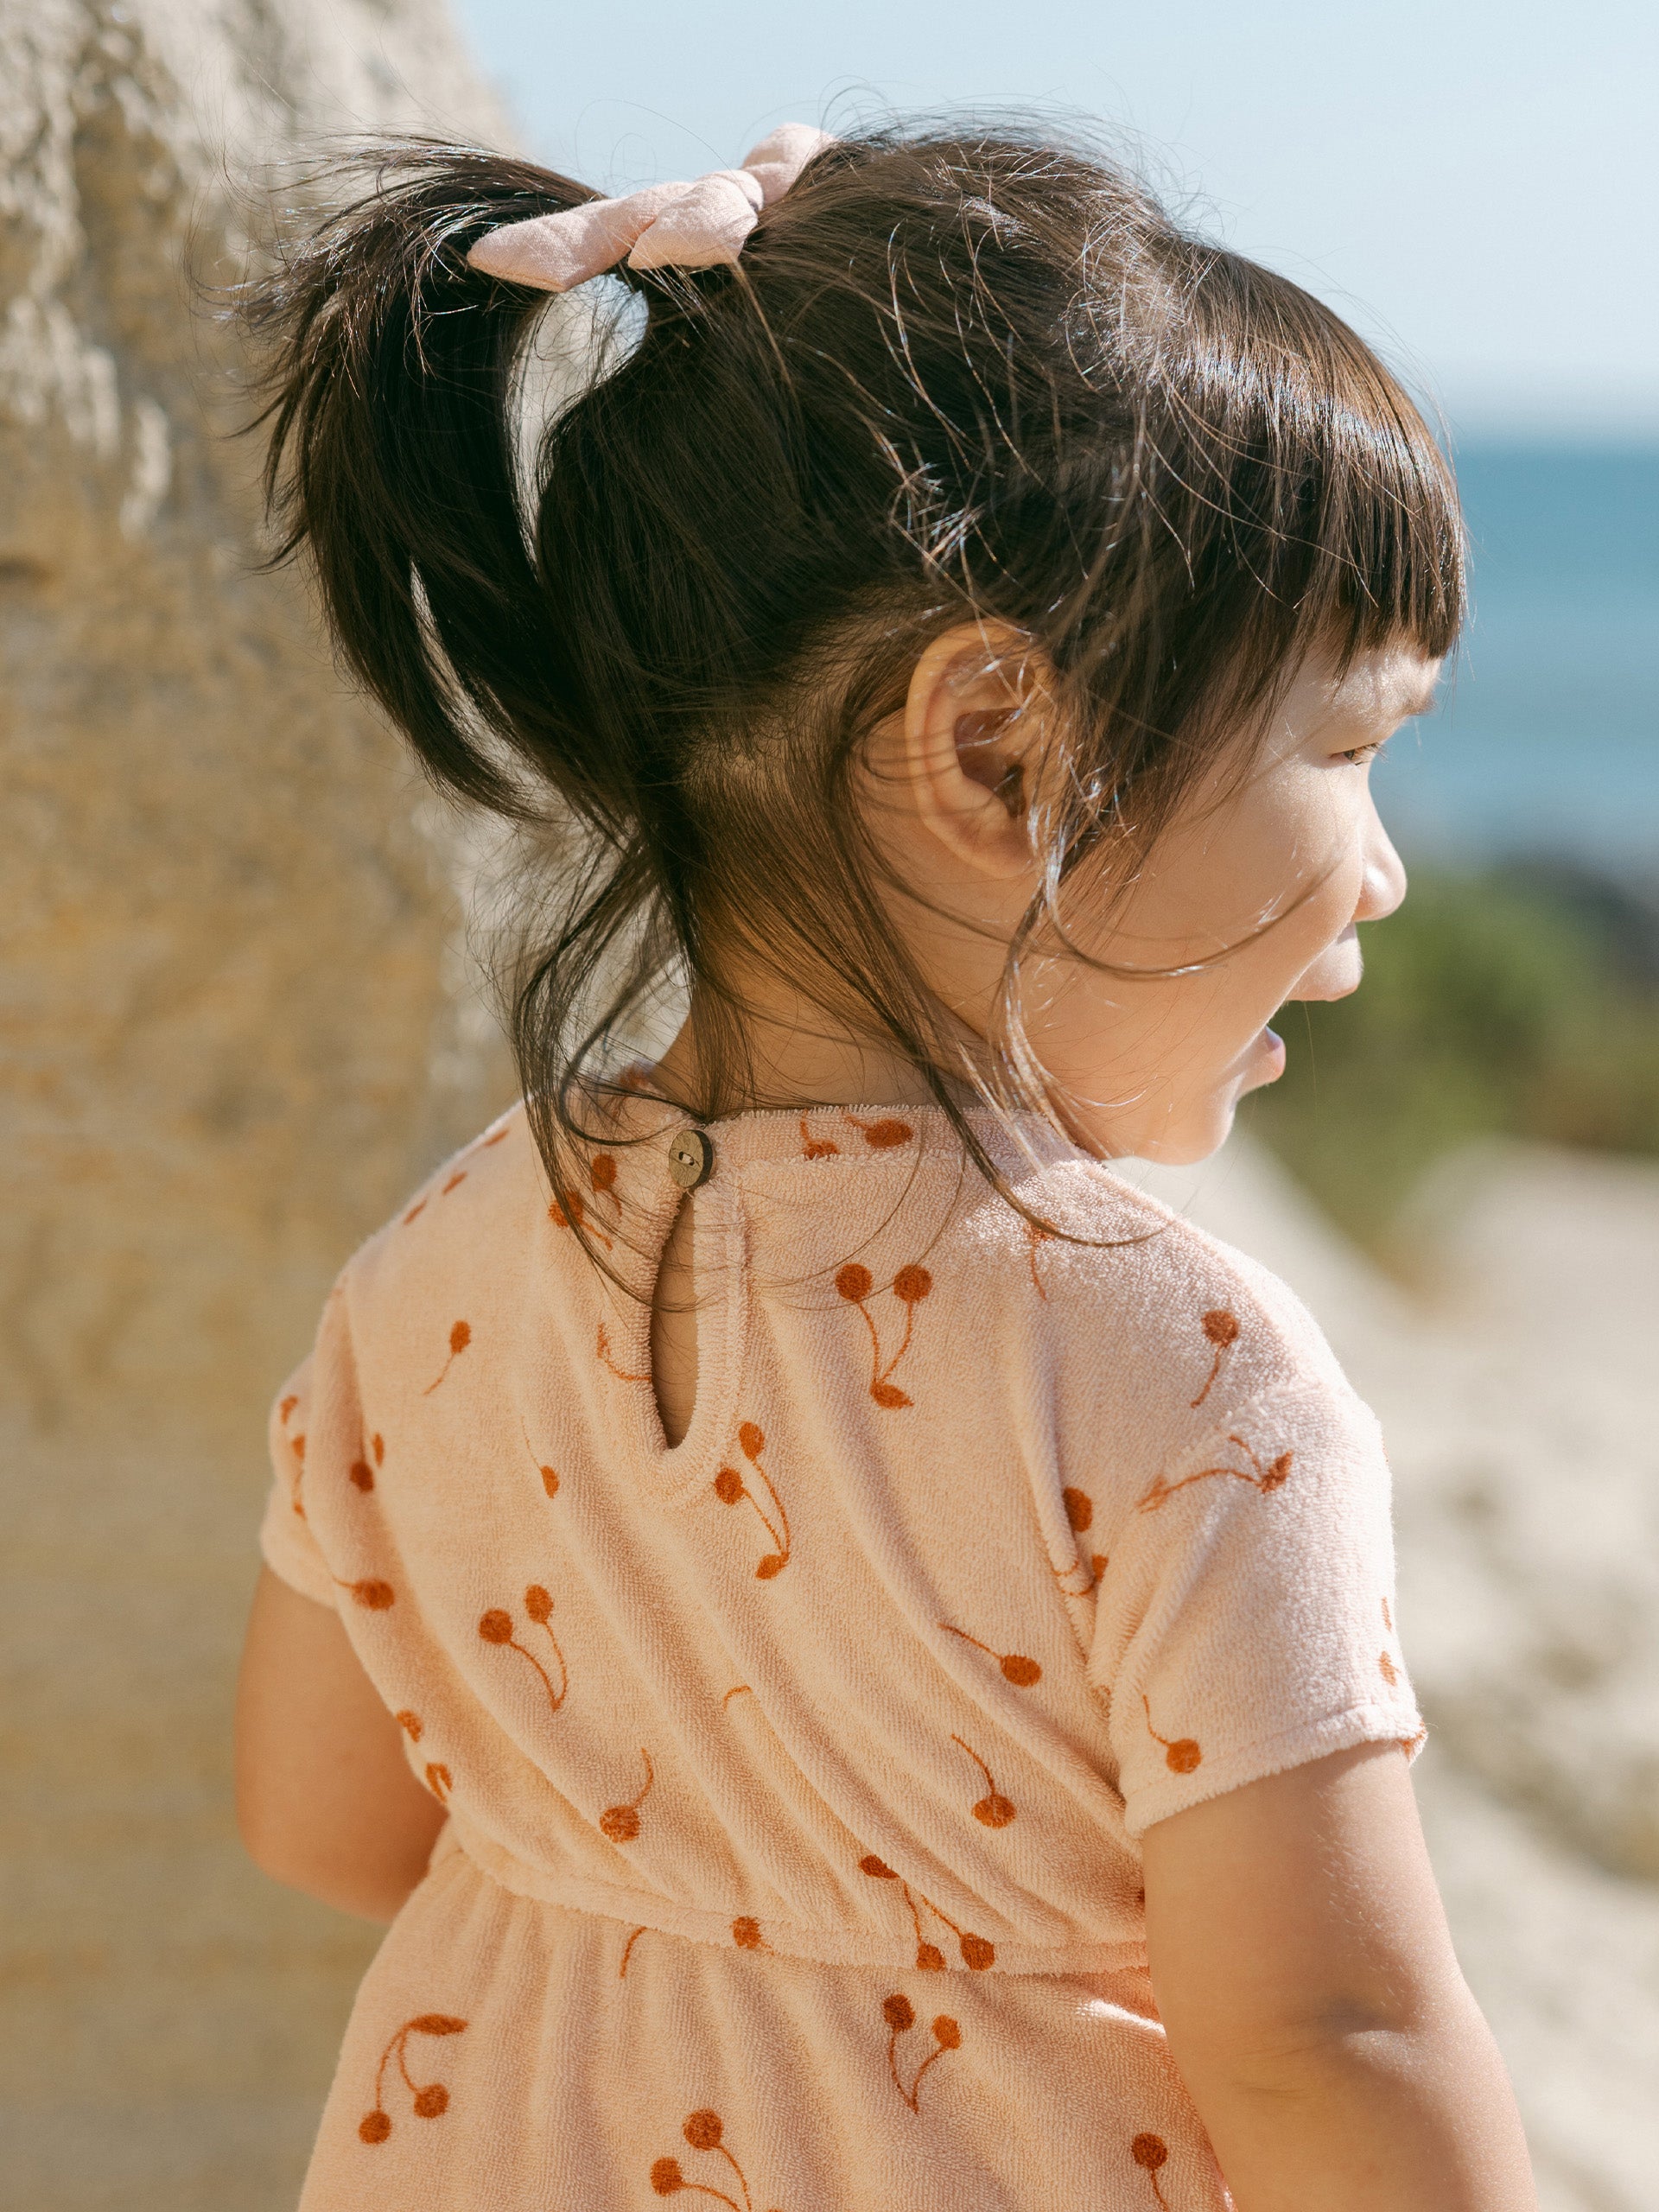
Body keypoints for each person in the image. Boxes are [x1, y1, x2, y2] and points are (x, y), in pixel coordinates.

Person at [232, 121, 1536, 2209]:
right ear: (1000, 746)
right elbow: (1328, 2039)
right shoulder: (1184, 1373)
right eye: (1350, 748)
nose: (1380, 865)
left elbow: (324, 1821)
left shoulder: (441, 1259)